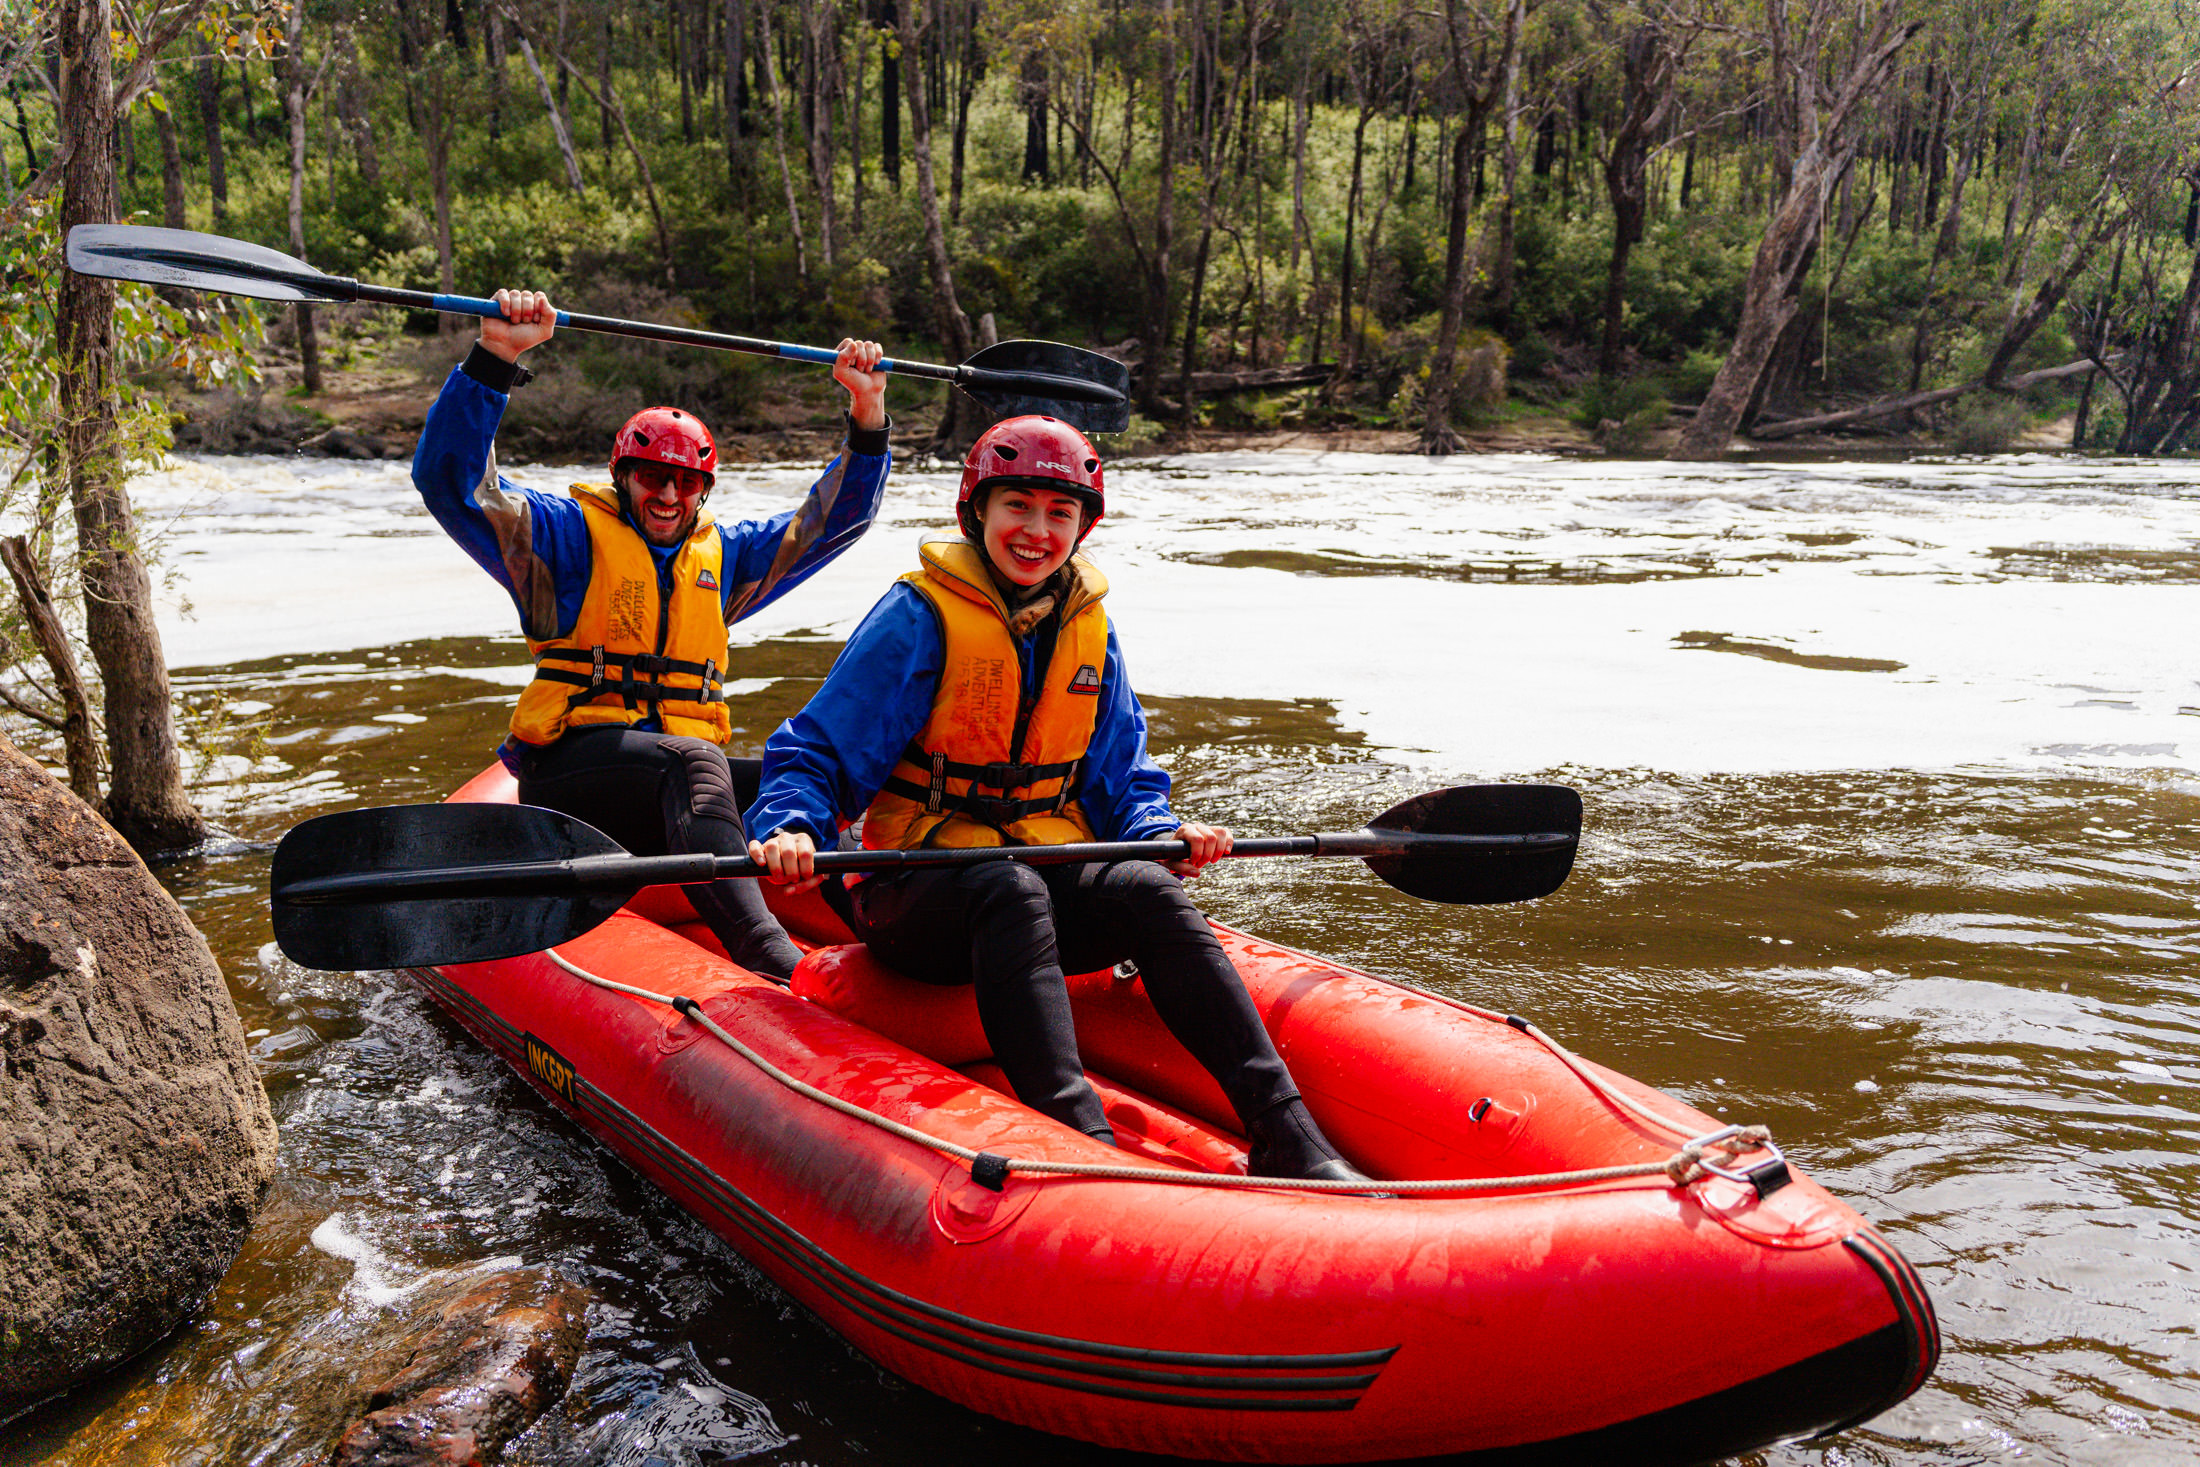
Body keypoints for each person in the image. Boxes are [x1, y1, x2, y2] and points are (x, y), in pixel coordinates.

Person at [743, 416, 1371, 1182]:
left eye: (1059, 512)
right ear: (978, 510)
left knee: (1146, 890)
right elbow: (818, 750)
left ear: (1083, 525)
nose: (1037, 531)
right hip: (915, 897)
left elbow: (1122, 774)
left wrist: (1161, 831)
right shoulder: (918, 616)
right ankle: (1081, 1141)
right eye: (1018, 506)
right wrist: (790, 824)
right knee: (1007, 886)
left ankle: (1288, 1134)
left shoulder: (1089, 626)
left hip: (1036, 876)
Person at [412, 288, 891, 982]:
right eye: (653, 478)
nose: (668, 496)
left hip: (671, 785)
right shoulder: (561, 538)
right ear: (623, 476)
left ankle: (892, 947)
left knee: (806, 788)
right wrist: (495, 356)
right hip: (573, 778)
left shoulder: (726, 558)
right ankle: (772, 960)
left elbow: (830, 524)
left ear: (704, 489)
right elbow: (450, 482)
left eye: (686, 483)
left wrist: (867, 414)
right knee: (692, 763)